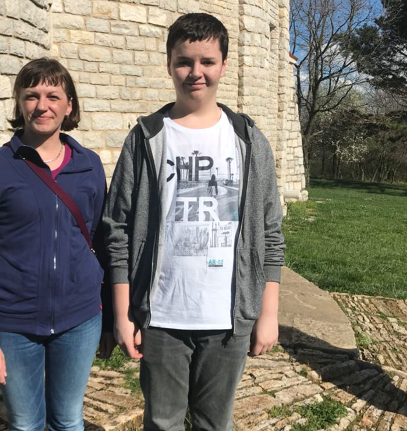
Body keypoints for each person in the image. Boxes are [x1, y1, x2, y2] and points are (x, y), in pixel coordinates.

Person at [103, 13, 285, 431]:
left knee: (214, 423)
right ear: (169, 64)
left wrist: (268, 313)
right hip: (163, 315)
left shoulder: (248, 140)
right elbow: (117, 229)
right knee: (162, 422)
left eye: (207, 61)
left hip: (228, 317)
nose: (195, 72)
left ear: (224, 65)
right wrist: (123, 313)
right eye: (184, 61)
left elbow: (270, 233)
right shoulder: (146, 138)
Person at [0, 58, 114, 431]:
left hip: (79, 320)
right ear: (19, 102)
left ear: (69, 106)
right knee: (26, 423)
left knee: (68, 419)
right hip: (14, 324)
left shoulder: (89, 165)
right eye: (31, 96)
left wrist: (109, 319)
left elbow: (102, 244)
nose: (41, 106)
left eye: (52, 96)